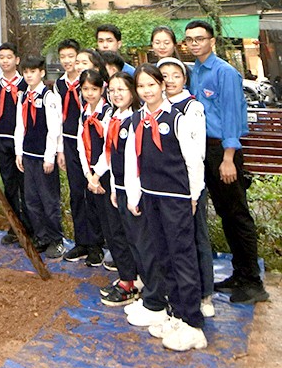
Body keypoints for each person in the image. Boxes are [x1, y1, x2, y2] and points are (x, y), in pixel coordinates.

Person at [125, 64, 206, 352]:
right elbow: (134, 162)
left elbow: (193, 160)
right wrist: (134, 197)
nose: (147, 91)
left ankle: (193, 323)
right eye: (141, 86)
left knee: (183, 257)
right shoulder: (137, 120)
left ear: (162, 85)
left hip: (177, 198)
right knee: (163, 257)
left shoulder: (178, 118)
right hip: (151, 197)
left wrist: (194, 194)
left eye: (151, 84)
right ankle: (175, 314)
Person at [186, 19, 269, 304]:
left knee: (237, 214)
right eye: (190, 40)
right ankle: (239, 274)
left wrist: (229, 158)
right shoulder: (196, 70)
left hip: (223, 151)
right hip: (204, 150)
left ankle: (253, 282)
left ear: (212, 40)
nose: (194, 43)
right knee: (225, 213)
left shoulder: (225, 73)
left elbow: (233, 116)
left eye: (199, 38)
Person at [158, 57, 214, 317]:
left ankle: (205, 294)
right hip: (164, 184)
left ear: (185, 79)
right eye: (164, 75)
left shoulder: (192, 107)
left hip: (188, 182)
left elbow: (197, 151)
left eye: (175, 75)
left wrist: (194, 187)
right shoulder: (156, 107)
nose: (170, 80)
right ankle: (175, 293)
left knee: (196, 236)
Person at [13, 56, 64, 258]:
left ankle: (56, 239)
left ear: (42, 73)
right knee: (31, 200)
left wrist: (49, 157)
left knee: (49, 201)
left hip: (44, 157)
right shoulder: (23, 96)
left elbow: (54, 129)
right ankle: (41, 236)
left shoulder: (50, 97)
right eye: (25, 72)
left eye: (32, 71)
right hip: (28, 155)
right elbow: (20, 126)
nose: (29, 75)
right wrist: (19, 152)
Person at [100, 72, 142, 307]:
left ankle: (139, 283)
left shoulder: (135, 119)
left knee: (136, 237)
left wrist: (131, 193)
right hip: (117, 185)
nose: (116, 94)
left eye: (121, 90)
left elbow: (135, 162)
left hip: (133, 189)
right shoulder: (113, 117)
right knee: (118, 234)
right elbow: (110, 154)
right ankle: (127, 278)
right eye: (112, 90)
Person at [55, 39, 91, 265]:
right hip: (68, 142)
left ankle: (97, 244)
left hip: (88, 142)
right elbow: (58, 118)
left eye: (72, 57)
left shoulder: (88, 82)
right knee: (77, 194)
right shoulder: (59, 85)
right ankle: (81, 242)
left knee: (93, 194)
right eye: (64, 57)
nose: (68, 62)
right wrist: (60, 149)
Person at [0, 42, 31, 246]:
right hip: (1, 136)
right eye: (1, 57)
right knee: (9, 184)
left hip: (21, 139)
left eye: (9, 57)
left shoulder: (25, 83)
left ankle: (30, 227)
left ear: (17, 60)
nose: (5, 61)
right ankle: (14, 226)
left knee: (25, 184)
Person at [73, 69, 111, 267]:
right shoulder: (84, 111)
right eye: (85, 88)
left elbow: (110, 147)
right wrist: (88, 173)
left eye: (93, 89)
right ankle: (95, 248)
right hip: (91, 171)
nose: (89, 93)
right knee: (92, 208)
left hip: (106, 171)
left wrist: (97, 174)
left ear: (102, 88)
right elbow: (80, 144)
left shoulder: (109, 112)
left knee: (109, 212)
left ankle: (114, 250)